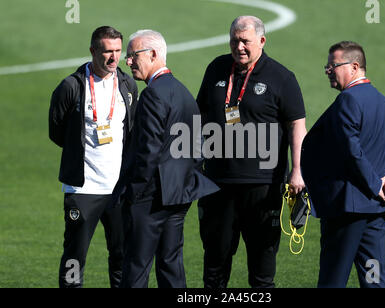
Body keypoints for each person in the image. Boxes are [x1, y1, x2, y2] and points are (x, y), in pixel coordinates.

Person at [196, 16, 307, 288]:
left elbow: (297, 124)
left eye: (245, 41)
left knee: (261, 269)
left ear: (261, 40)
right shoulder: (217, 68)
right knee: (214, 266)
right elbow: (198, 115)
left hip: (263, 186)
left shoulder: (282, 77)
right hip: (217, 184)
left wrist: (297, 170)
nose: (239, 46)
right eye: (234, 40)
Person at [113, 29, 219, 288]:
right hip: (179, 194)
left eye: (132, 55)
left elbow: (148, 152)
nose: (127, 62)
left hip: (150, 197)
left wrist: (134, 193)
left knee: (136, 267)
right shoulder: (183, 92)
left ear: (153, 54)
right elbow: (197, 147)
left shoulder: (153, 94)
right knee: (171, 266)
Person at [301, 41, 385, 288]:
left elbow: (351, 151)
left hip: (347, 210)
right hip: (375, 211)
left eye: (332, 66)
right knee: (375, 279)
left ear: (355, 66)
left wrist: (374, 185)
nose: (328, 71)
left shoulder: (348, 101)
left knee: (332, 279)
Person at [49, 26, 138, 288]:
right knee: (74, 258)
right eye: (107, 51)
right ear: (92, 51)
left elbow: (130, 132)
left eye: (118, 51)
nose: (114, 58)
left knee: (122, 256)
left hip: (119, 190)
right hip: (82, 188)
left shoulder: (127, 84)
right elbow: (57, 133)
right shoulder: (70, 87)